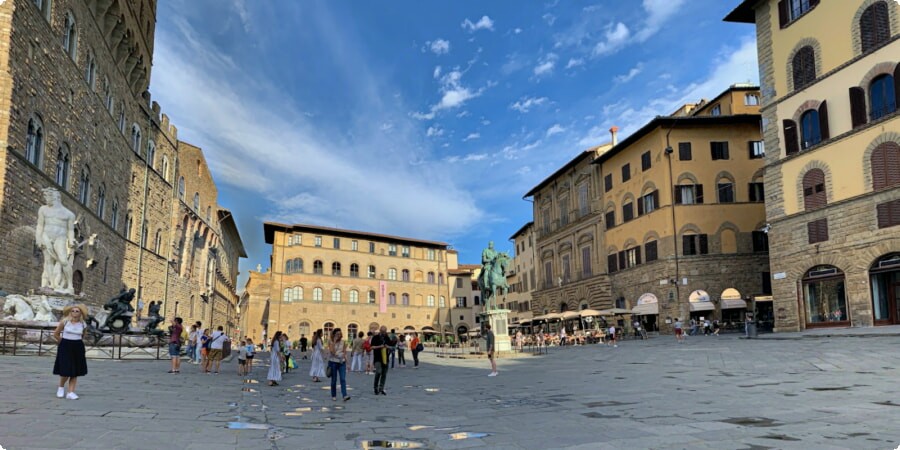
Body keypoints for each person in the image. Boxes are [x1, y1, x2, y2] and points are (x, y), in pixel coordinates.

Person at [35, 187, 76, 294]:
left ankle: (70, 286)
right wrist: (38, 238)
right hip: (46, 237)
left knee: (63, 260)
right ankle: (52, 285)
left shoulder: (69, 214)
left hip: (60, 238)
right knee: (48, 261)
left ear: (55, 198)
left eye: (47, 197)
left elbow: (71, 230)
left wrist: (71, 241)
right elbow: (40, 225)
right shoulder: (43, 209)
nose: (45, 200)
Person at [53, 304, 88, 399]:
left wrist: (77, 342)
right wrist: (63, 342)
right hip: (65, 345)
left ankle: (71, 392)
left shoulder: (83, 324)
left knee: (75, 370)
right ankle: (61, 387)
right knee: (66, 369)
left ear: (80, 313)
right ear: (70, 312)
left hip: (77, 346)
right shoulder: (64, 322)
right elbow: (56, 334)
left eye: (77, 311)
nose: (75, 313)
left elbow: (83, 335)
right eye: (73, 311)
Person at [327, 328, 351, 402]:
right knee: (334, 380)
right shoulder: (330, 342)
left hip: (341, 362)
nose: (339, 335)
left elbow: (344, 353)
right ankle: (333, 395)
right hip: (333, 362)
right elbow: (333, 352)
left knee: (343, 379)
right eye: (337, 334)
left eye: (340, 334)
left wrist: (347, 363)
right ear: (334, 335)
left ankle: (345, 395)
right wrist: (334, 342)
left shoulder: (343, 342)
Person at [371, 326, 390, 395]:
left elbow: (391, 346)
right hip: (377, 358)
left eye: (385, 332)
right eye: (382, 332)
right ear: (380, 331)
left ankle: (381, 388)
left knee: (384, 374)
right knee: (378, 372)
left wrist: (388, 347)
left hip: (385, 358)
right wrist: (380, 346)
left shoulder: (387, 337)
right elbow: (372, 347)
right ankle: (375, 387)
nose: (384, 333)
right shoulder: (375, 337)